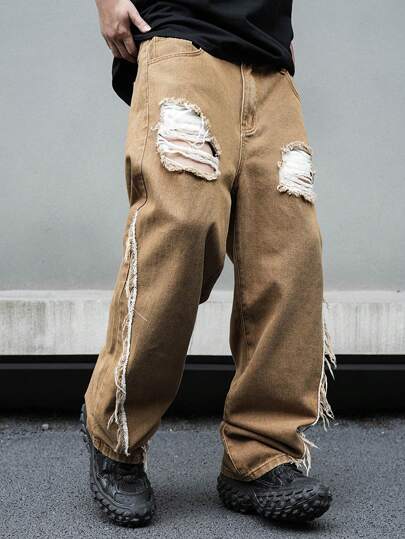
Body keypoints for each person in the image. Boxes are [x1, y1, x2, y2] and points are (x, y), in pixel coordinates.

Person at [81, 0, 336, 527]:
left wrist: (278, 25)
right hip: (180, 35)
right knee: (180, 227)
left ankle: (261, 452)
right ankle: (116, 433)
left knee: (291, 253)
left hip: (268, 60)